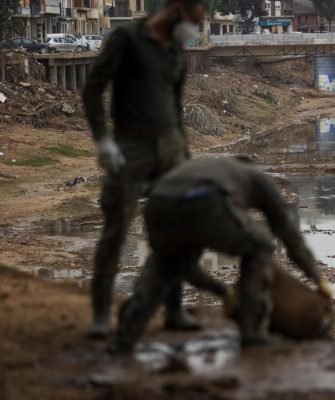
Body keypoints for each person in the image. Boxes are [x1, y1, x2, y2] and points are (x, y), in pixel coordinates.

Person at [114, 157, 331, 352]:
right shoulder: (258, 178)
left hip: (158, 202)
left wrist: (224, 291)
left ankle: (126, 337)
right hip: (206, 200)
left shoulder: (215, 167)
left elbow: (187, 269)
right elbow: (287, 231)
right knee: (261, 246)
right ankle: (253, 333)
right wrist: (316, 277)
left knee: (165, 262)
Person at [82, 0, 206, 337]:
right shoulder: (127, 38)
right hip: (130, 147)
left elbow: (176, 106)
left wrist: (184, 152)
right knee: (116, 229)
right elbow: (93, 89)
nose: (194, 30)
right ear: (175, 10)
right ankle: (99, 316)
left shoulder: (176, 51)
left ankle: (175, 311)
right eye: (193, 21)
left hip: (171, 149)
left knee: (176, 230)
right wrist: (102, 140)